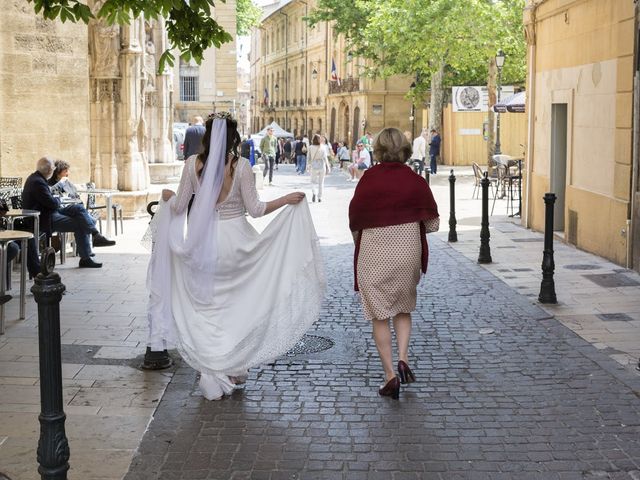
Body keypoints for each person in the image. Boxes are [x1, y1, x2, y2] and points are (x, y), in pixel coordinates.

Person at [147, 113, 326, 401]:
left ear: (207, 136)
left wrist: (167, 196)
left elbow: (179, 206)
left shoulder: (192, 166)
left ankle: (211, 369)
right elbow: (255, 209)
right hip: (237, 244)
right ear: (234, 138)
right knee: (237, 307)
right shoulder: (241, 167)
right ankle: (231, 365)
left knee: (209, 310)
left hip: (202, 244)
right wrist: (286, 199)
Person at [348, 127, 439, 400]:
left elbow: (355, 220)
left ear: (377, 150)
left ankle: (389, 375)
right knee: (402, 308)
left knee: (379, 315)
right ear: (405, 149)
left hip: (374, 252)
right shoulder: (415, 180)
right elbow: (432, 223)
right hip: (407, 251)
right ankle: (403, 358)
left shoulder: (369, 180)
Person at [22, 157, 114, 270]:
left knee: (78, 208)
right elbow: (52, 203)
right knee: (81, 223)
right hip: (45, 218)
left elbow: (49, 200)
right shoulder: (38, 182)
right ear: (50, 170)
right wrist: (58, 199)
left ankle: (95, 235)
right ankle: (87, 256)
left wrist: (55, 199)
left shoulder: (37, 178)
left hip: (49, 212)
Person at [307, 134, 331, 203]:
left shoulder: (310, 147)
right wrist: (328, 167)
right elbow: (325, 158)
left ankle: (314, 192)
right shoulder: (323, 147)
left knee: (312, 181)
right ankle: (319, 197)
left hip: (313, 165)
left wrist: (308, 166)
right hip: (322, 165)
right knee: (321, 183)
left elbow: (308, 157)